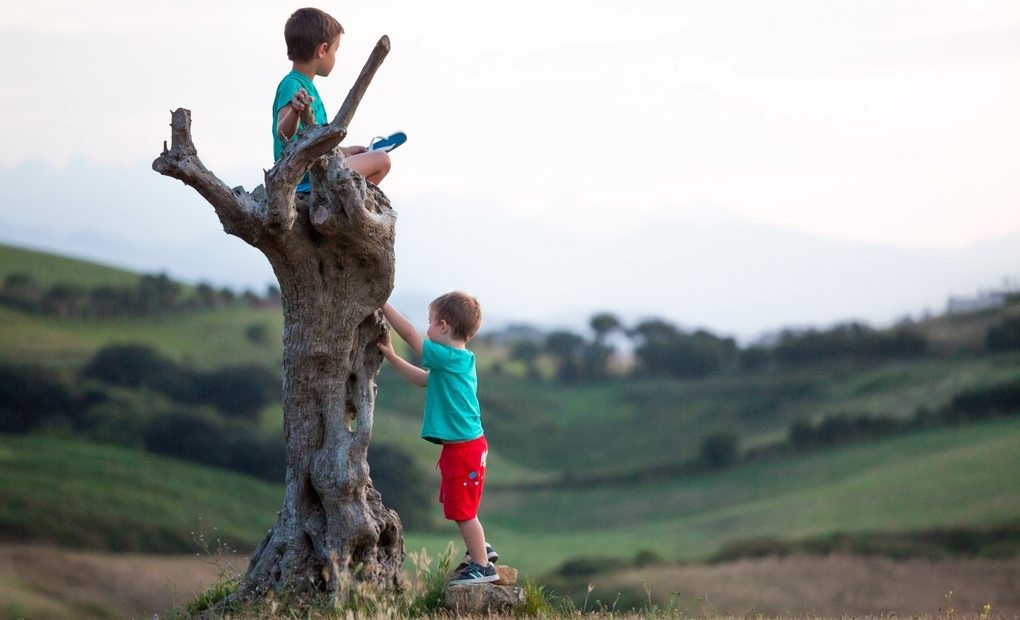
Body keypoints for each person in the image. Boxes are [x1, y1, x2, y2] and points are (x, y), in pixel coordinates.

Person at [377, 293, 500, 584]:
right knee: (462, 507)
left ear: (443, 326)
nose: (426, 327)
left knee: (463, 512)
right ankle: (480, 550)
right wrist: (393, 358)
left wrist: (381, 301)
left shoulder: (448, 357)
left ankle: (482, 566)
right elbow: (423, 379)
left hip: (465, 448)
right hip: (466, 446)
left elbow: (409, 334)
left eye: (430, 321)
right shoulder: (458, 361)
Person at [272, 7, 392, 191]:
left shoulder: (307, 87)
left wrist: (345, 151)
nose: (335, 56)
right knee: (382, 161)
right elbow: (283, 133)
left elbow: (316, 143)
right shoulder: (292, 84)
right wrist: (295, 112)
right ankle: (345, 207)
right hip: (305, 179)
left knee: (376, 162)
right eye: (335, 49)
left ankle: (344, 206)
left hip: (316, 171)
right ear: (322, 50)